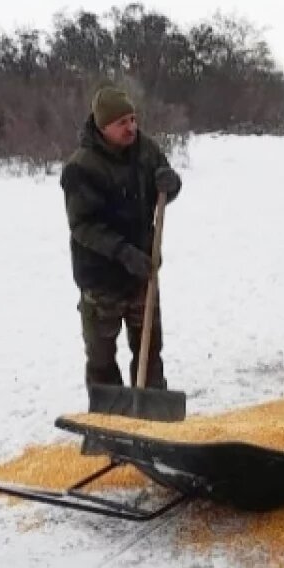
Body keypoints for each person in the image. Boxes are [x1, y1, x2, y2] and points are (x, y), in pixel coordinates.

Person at [59, 85, 182, 393]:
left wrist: (172, 183)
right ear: (103, 127)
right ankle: (107, 424)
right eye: (122, 123)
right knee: (101, 360)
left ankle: (153, 418)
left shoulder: (146, 150)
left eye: (133, 119)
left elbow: (164, 186)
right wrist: (123, 253)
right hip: (101, 280)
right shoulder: (81, 167)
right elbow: (83, 225)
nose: (131, 128)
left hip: (143, 274)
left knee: (150, 353)